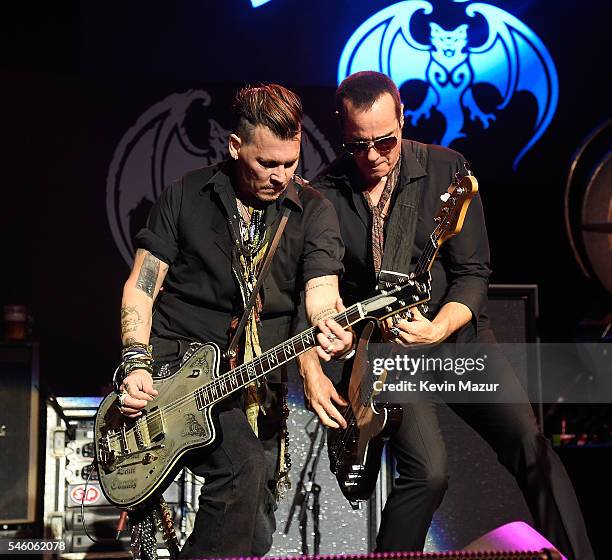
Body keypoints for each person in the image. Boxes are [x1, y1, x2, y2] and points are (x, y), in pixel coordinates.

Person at [297, 71, 594, 560]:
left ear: (402, 119)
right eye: (357, 145)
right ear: (340, 130)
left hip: (456, 341)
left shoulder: (446, 170)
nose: (372, 156)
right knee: (428, 474)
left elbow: (473, 274)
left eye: (385, 141)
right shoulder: (324, 194)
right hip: (388, 357)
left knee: (529, 444)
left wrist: (438, 326)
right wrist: (319, 359)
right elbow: (316, 287)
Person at [114, 83, 354, 558]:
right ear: (235, 146)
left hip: (249, 382)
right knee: (241, 466)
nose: (281, 176)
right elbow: (142, 287)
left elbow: (321, 291)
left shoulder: (314, 212)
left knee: (256, 529)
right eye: (267, 163)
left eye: (290, 163)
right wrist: (135, 361)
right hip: (174, 370)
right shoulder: (186, 195)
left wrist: (330, 324)